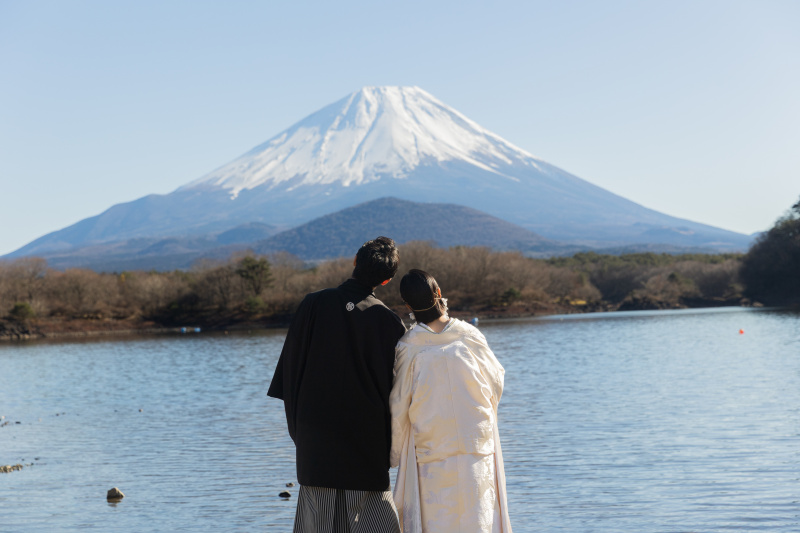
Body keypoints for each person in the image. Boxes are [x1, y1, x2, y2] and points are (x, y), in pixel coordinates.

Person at [268, 237, 407, 533]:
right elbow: (398, 395)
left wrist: (300, 431)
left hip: (315, 439)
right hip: (367, 441)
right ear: (386, 279)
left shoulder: (313, 304)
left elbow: (289, 376)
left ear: (355, 262)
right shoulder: (390, 322)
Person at [390, 269, 512, 533]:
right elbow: (495, 381)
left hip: (431, 447)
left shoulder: (409, 347)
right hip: (475, 443)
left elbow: (398, 404)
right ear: (439, 294)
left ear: (408, 306)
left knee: (437, 520)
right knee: (477, 517)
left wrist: (394, 452)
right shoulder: (469, 336)